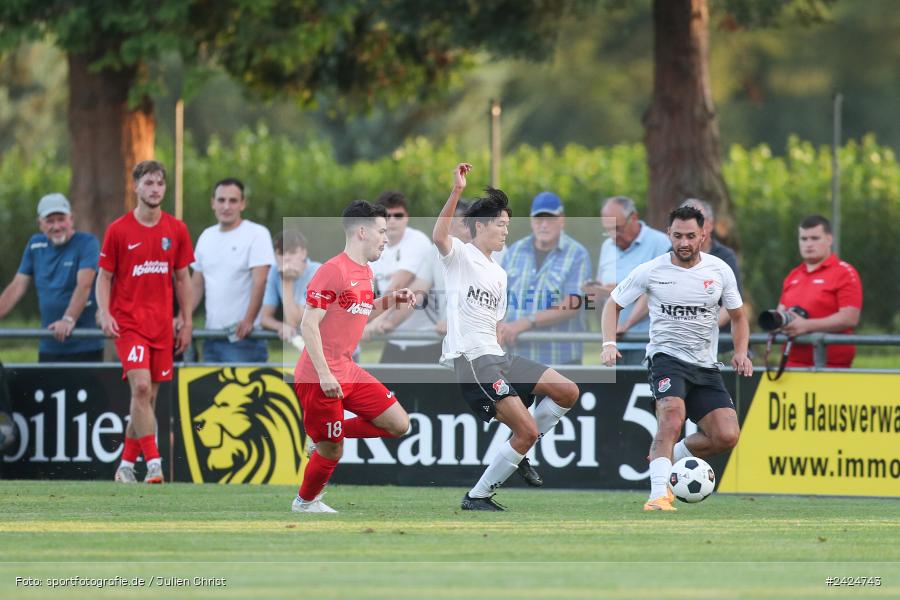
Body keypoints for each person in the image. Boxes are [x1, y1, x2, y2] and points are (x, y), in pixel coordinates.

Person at [434, 163, 580, 511]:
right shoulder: (460, 256)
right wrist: (456, 191)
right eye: (500, 224)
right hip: (473, 359)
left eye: (508, 225)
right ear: (480, 226)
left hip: (497, 357)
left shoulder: (499, 273)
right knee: (527, 432)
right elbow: (440, 236)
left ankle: (521, 448)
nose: (505, 232)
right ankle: (478, 496)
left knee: (567, 391)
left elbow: (495, 323)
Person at [600, 206, 753, 512]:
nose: (684, 242)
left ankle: (670, 453)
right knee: (671, 417)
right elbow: (613, 303)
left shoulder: (719, 271)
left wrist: (739, 352)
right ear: (668, 234)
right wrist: (608, 343)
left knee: (726, 436)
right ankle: (658, 495)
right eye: (678, 235)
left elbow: (738, 316)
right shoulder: (652, 270)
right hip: (666, 357)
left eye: (691, 236)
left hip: (706, 365)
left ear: (703, 235)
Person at [292, 200, 415, 513]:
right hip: (318, 374)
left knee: (399, 424)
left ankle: (318, 436)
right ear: (362, 231)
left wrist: (391, 300)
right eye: (382, 231)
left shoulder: (366, 271)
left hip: (346, 369)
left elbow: (361, 310)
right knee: (333, 451)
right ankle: (305, 503)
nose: (386, 238)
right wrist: (324, 373)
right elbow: (308, 325)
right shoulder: (332, 271)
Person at [96, 160, 194, 484]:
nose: (154, 189)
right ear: (135, 187)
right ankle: (154, 464)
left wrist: (187, 318)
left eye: (159, 184)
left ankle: (125, 466)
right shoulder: (118, 230)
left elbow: (183, 278)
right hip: (129, 324)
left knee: (146, 400)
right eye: (148, 183)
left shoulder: (176, 230)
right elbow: (104, 277)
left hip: (163, 326)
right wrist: (105, 311)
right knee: (139, 388)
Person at [0, 193, 103, 362]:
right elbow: (17, 285)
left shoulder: (87, 242)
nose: (56, 226)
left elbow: (84, 284)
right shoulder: (35, 244)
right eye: (50, 221)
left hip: (84, 344)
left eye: (61, 219)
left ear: (71, 219)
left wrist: (68, 319)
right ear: (40, 224)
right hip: (49, 343)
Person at [500, 191, 592, 365]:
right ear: (531, 221)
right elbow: (498, 298)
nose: (543, 225)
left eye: (550, 219)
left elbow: (573, 304)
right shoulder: (514, 251)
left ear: (562, 219)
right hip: (515, 358)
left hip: (559, 360)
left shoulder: (577, 254)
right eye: (538, 219)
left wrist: (526, 322)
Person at [191, 178, 274, 363]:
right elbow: (196, 285)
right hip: (211, 336)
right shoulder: (206, 236)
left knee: (242, 393)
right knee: (211, 392)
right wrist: (184, 316)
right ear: (213, 203)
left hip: (245, 339)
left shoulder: (257, 234)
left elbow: (260, 282)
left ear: (243, 204)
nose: (226, 206)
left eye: (233, 200)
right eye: (221, 200)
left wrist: (249, 321)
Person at [584, 196, 670, 364]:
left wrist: (625, 325)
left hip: (648, 344)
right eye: (608, 230)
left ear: (634, 218)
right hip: (614, 346)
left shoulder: (660, 243)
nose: (613, 236)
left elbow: (658, 291)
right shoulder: (607, 247)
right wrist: (595, 293)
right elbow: (603, 295)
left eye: (618, 228)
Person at [777, 215, 862, 368]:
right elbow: (780, 313)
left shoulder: (844, 272)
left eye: (815, 238)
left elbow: (849, 318)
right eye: (804, 239)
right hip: (790, 364)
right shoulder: (793, 275)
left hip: (831, 365)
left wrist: (807, 325)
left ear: (829, 239)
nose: (808, 244)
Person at [367, 191, 439, 363]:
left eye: (398, 215)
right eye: (386, 216)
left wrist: (376, 321)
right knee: (385, 390)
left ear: (407, 217)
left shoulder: (418, 241)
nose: (392, 220)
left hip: (425, 339)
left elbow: (399, 284)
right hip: (394, 338)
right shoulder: (373, 245)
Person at [260, 230, 321, 344]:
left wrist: (286, 281)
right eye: (281, 253)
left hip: (339, 349)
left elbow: (295, 321)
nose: (286, 258)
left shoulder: (319, 272)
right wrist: (280, 326)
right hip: (309, 348)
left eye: (292, 252)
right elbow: (264, 318)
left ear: (303, 253)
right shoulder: (274, 271)